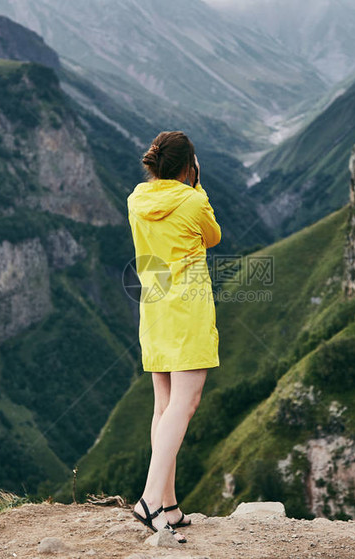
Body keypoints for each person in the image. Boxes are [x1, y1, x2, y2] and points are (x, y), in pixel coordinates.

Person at [126, 131, 222, 544]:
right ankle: (149, 500)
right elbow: (214, 236)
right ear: (189, 166)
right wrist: (196, 187)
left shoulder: (136, 200)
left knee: (163, 406)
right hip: (188, 309)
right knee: (186, 403)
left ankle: (168, 505)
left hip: (155, 306)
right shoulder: (194, 199)